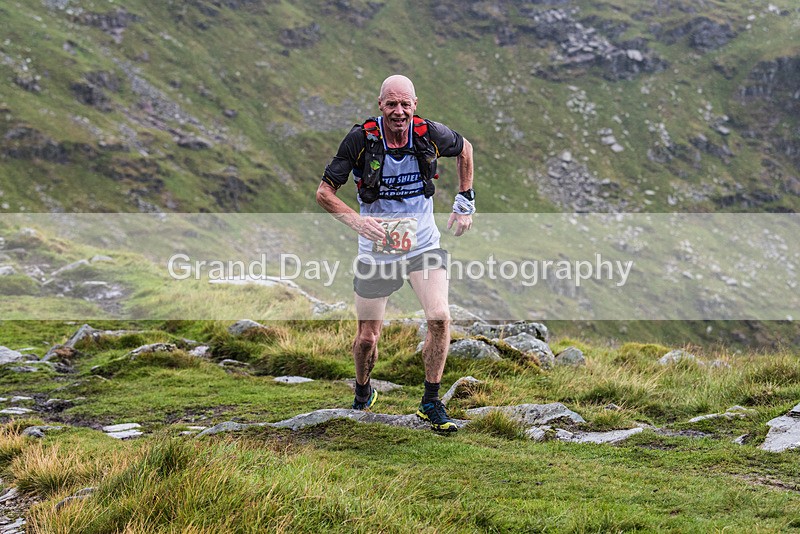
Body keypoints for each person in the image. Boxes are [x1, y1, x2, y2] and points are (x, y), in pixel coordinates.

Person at [316, 74, 475, 432]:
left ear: (415, 105)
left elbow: (466, 149)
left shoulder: (428, 134)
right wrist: (358, 222)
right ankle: (362, 389)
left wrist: (465, 201)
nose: (399, 111)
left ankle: (431, 402)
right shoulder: (361, 140)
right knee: (368, 338)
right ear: (381, 105)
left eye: (405, 104)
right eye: (392, 104)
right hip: (377, 250)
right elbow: (324, 193)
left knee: (439, 317)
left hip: (422, 246)